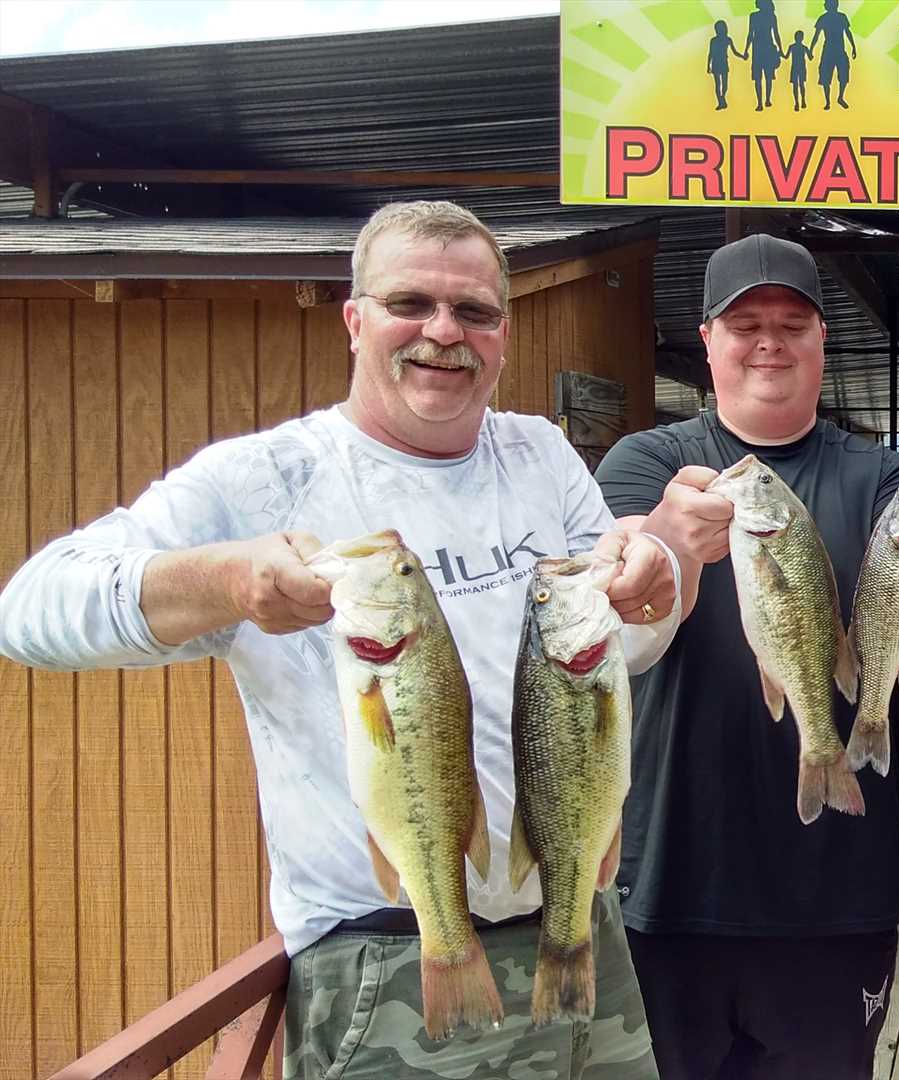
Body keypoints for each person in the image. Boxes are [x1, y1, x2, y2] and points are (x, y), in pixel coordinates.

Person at [0, 200, 680, 1079]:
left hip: (578, 922)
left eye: (473, 311)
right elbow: (28, 611)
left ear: (503, 335)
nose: (443, 332)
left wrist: (652, 579)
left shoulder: (540, 456)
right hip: (389, 957)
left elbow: (617, 653)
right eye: (411, 304)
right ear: (354, 319)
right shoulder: (267, 476)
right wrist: (222, 580)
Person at [593, 232, 899, 1080]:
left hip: (836, 899)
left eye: (791, 322)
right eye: (745, 323)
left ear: (821, 341)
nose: (768, 340)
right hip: (671, 888)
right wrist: (667, 539)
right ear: (708, 341)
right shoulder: (652, 462)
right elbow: (620, 598)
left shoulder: (883, 477)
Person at [811, 0, 856, 110]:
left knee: (844, 75)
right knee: (825, 77)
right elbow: (816, 35)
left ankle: (840, 97)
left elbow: (847, 32)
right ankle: (828, 102)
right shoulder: (823, 18)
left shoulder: (842, 17)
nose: (825, 5)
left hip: (839, 50)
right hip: (828, 51)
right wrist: (811, 49)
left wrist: (853, 46)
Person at [707, 20, 748, 111]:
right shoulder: (713, 40)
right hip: (716, 63)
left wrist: (742, 56)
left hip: (724, 63)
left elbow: (734, 52)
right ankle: (720, 102)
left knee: (725, 85)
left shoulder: (728, 39)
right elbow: (710, 53)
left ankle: (722, 98)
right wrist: (708, 65)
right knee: (718, 84)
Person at [784, 31, 813, 110]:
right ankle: (800, 102)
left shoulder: (792, 47)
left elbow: (786, 57)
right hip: (799, 68)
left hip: (797, 68)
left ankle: (799, 102)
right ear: (802, 38)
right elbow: (810, 58)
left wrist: (780, 54)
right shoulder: (804, 47)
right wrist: (811, 53)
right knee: (799, 85)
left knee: (797, 85)